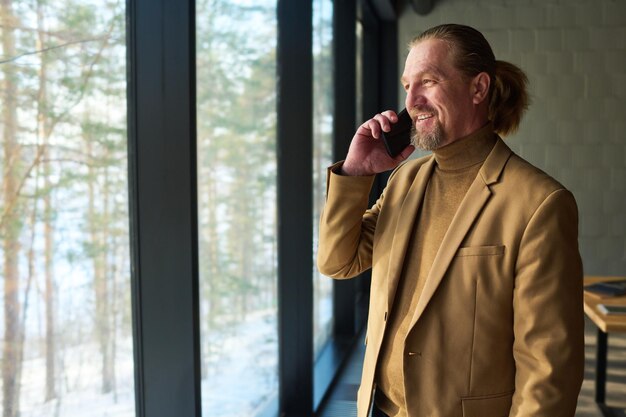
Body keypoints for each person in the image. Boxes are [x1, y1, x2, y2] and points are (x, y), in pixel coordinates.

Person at [317, 24, 584, 417]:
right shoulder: (405, 179)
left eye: (428, 81)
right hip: (377, 408)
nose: (412, 101)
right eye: (408, 85)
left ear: (478, 89)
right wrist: (357, 175)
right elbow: (338, 262)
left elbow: (548, 367)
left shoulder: (540, 203)